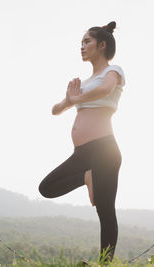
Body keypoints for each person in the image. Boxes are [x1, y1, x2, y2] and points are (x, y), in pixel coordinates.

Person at [38, 21, 125, 262]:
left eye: (87, 41)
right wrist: (69, 100)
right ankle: (86, 177)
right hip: (81, 153)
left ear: (102, 45)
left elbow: (106, 90)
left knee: (105, 211)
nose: (82, 46)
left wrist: (79, 97)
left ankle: (104, 264)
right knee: (46, 188)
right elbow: (55, 110)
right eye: (81, 42)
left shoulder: (113, 71)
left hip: (104, 149)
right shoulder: (84, 83)